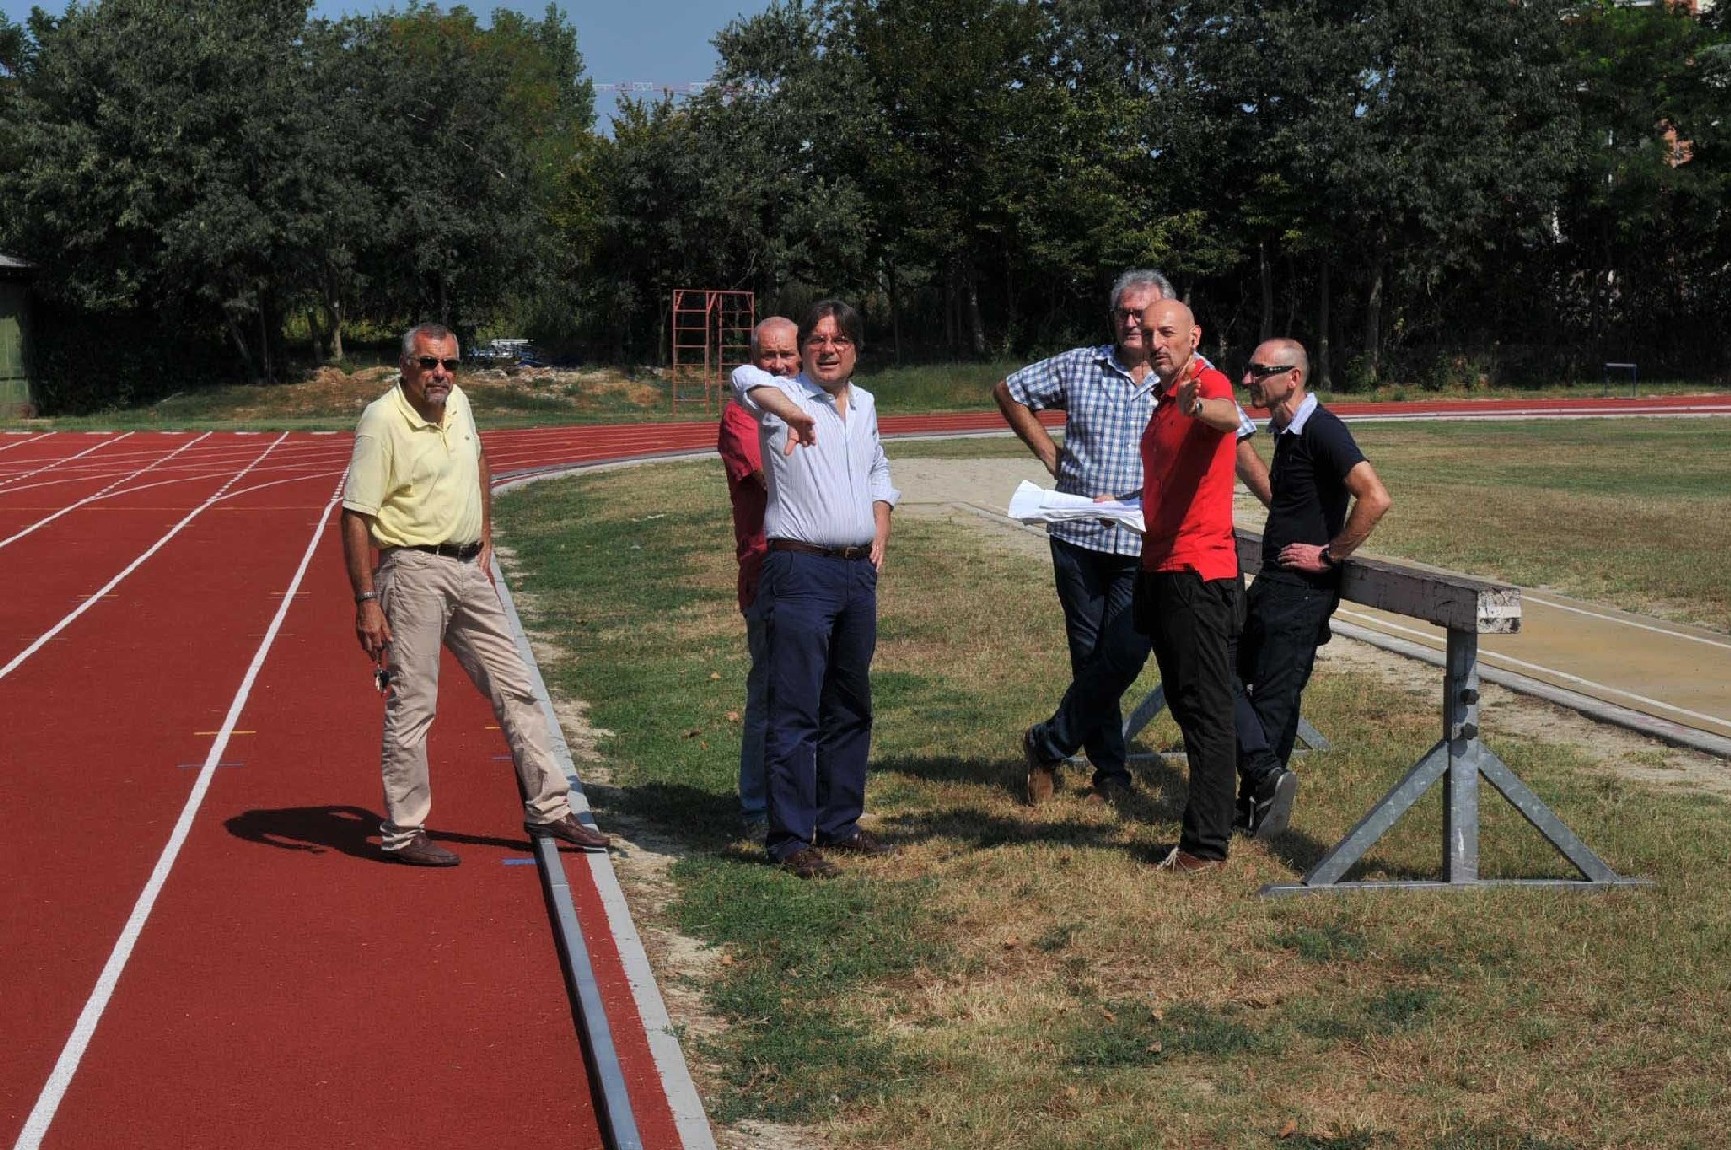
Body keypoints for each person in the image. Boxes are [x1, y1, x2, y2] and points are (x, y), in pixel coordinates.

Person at [340, 323, 610, 866]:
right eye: (428, 364)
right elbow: (355, 514)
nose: (441, 374)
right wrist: (366, 600)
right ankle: (404, 830)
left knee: (517, 688)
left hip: (468, 569)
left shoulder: (459, 402)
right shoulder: (382, 420)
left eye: (450, 364)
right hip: (413, 571)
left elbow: (481, 460)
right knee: (414, 704)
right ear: (404, 366)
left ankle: (549, 808)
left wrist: (485, 536)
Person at [1003, 270, 1267, 805]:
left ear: (1171, 324)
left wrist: (1276, 503)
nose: (1135, 325)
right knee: (1087, 653)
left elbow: (1232, 434)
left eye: (1146, 317)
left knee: (1121, 656)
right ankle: (1110, 775)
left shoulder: (1190, 377)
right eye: (1125, 313)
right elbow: (1009, 390)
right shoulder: (1081, 363)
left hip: (1145, 548)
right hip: (1077, 536)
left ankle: (1049, 743)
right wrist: (1050, 455)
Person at [731, 300, 899, 879]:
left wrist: (880, 526)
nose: (829, 348)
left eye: (840, 339)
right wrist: (795, 414)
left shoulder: (867, 404)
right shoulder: (784, 398)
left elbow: (878, 468)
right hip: (799, 571)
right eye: (818, 340)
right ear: (803, 349)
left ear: (855, 348)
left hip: (855, 573)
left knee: (850, 704)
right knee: (795, 708)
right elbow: (744, 377)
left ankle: (840, 822)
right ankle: (788, 838)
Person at [1233, 338, 1391, 839]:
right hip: (1276, 584)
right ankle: (1260, 790)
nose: (1248, 381)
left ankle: (1256, 809)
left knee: (1274, 699)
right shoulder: (1287, 431)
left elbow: (1375, 497)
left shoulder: (1322, 428)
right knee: (1227, 676)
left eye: (1258, 372)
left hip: (1301, 592)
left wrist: (1329, 555)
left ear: (1292, 377)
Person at [716, 316, 801, 832]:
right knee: (770, 691)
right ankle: (756, 806)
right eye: (768, 356)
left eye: (787, 355)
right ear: (753, 361)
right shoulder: (741, 414)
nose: (778, 364)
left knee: (812, 691)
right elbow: (775, 481)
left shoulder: (810, 404)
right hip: (767, 565)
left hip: (814, 566)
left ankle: (800, 799)